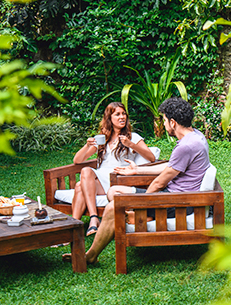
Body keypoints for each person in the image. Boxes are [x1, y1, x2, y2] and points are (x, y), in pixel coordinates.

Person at [64, 96, 209, 264]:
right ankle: (124, 222)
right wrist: (137, 170)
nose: (163, 124)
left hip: (177, 201)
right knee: (115, 192)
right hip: (177, 196)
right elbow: (170, 166)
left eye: (164, 120)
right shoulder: (195, 137)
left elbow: (159, 183)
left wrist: (142, 203)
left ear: (173, 122)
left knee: (113, 207)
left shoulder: (186, 146)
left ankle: (91, 255)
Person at [71, 101, 156, 235]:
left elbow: (151, 157)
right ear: (109, 118)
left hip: (117, 179)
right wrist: (87, 146)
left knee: (80, 184)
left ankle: (80, 225)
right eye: (117, 114)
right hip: (100, 179)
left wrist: (131, 145)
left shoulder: (133, 137)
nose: (122, 117)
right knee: (81, 182)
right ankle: (89, 221)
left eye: (123, 114)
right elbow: (77, 160)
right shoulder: (102, 139)